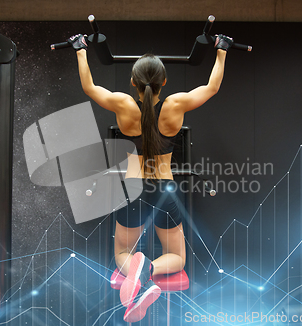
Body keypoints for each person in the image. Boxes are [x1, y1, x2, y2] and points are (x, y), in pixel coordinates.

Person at [68, 33, 232, 322]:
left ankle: (137, 271)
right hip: (164, 189)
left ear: (133, 82)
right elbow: (212, 87)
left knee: (122, 252)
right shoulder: (175, 106)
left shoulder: (123, 105)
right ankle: (150, 270)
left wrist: (80, 50)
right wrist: (222, 50)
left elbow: (89, 87)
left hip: (131, 187)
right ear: (164, 82)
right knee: (177, 257)